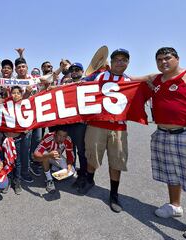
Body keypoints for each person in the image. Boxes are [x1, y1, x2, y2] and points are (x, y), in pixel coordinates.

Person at [143, 47, 186, 240]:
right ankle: (175, 206)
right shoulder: (155, 78)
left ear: (177, 58)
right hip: (162, 134)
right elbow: (130, 80)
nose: (163, 62)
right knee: (171, 173)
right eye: (159, 59)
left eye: (167, 58)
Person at [77, 48, 131, 213]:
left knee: (117, 161)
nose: (120, 62)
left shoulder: (131, 81)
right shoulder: (99, 76)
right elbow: (82, 83)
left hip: (118, 128)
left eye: (124, 60)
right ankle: (89, 180)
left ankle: (113, 194)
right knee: (92, 156)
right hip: (96, 125)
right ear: (111, 62)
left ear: (128, 63)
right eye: (117, 59)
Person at [33, 127, 75, 193]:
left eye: (64, 136)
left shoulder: (68, 139)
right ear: (55, 134)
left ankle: (52, 172)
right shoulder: (48, 138)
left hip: (56, 157)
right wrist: (49, 155)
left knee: (72, 170)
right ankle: (49, 179)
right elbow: (35, 155)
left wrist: (69, 166)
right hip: (46, 155)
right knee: (44, 154)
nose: (62, 138)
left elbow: (70, 155)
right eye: (60, 135)